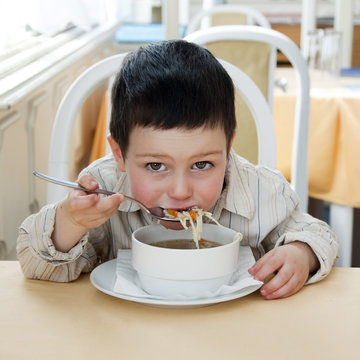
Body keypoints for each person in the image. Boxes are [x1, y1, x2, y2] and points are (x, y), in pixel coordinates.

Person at [17, 40, 338, 300]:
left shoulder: (262, 190)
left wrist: (301, 252)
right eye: (156, 166)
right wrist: (70, 221)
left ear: (228, 150)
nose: (181, 190)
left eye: (202, 165)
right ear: (120, 154)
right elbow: (35, 265)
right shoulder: (104, 188)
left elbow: (317, 234)